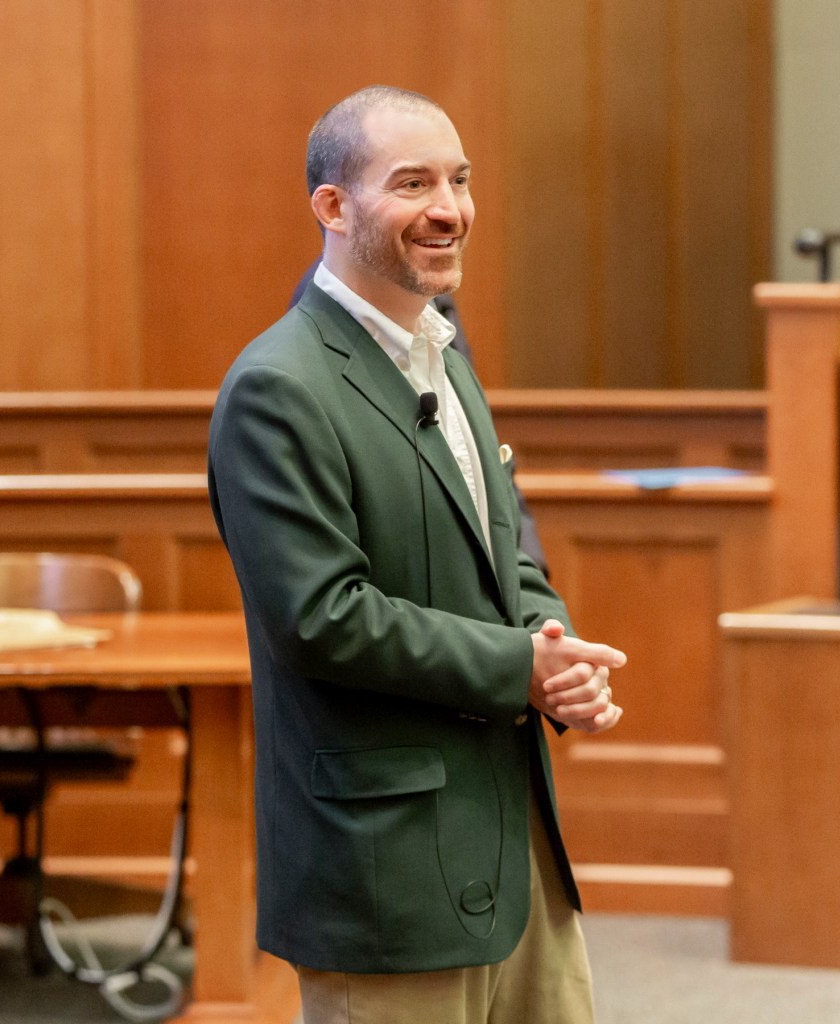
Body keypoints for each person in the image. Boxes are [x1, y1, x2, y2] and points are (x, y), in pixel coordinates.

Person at [208, 85, 627, 1024]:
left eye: (459, 180)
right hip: (386, 863)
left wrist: (551, 649)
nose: (450, 209)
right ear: (332, 205)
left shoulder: (443, 352)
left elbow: (503, 542)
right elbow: (323, 619)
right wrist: (518, 667)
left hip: (513, 844)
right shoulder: (279, 387)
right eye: (412, 184)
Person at [290, 256, 551, 575]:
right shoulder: (323, 321)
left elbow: (474, 452)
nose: (446, 225)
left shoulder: (437, 306)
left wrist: (529, 568)